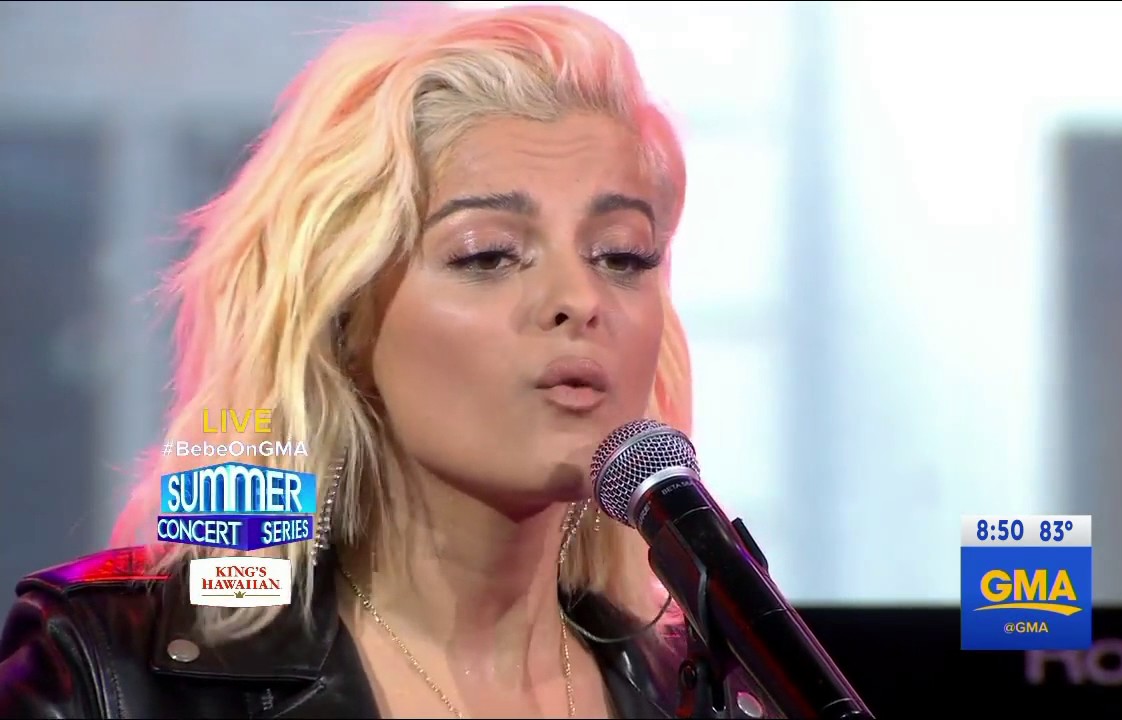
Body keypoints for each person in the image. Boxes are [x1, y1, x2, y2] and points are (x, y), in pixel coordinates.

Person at [0, 5, 776, 719]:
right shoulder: (108, 672)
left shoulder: (710, 693)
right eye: (488, 254)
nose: (580, 299)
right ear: (344, 319)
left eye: (622, 255)